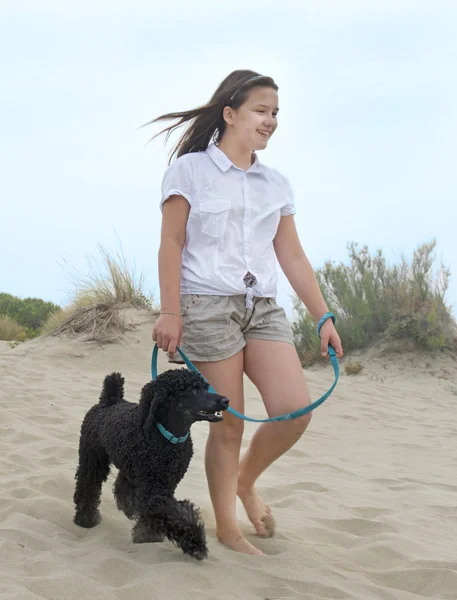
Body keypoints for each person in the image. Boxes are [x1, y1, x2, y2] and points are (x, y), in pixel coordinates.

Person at [150, 70, 343, 556]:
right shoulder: (189, 172)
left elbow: (293, 257)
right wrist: (170, 311)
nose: (271, 120)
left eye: (276, 112)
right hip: (205, 305)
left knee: (294, 410)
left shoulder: (275, 184)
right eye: (261, 110)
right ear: (230, 114)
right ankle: (228, 530)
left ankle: (245, 480)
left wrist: (323, 317)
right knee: (228, 424)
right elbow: (171, 243)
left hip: (262, 309)